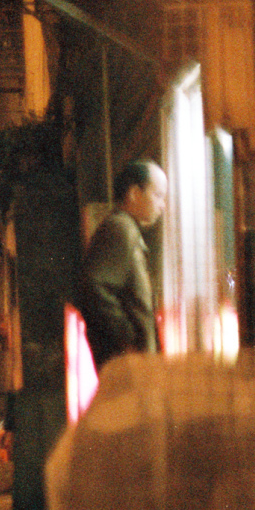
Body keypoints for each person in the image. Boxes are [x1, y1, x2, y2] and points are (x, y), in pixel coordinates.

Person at [75, 158, 168, 371]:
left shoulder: (124, 228)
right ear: (134, 193)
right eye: (158, 195)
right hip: (128, 366)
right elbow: (93, 286)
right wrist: (128, 341)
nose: (162, 205)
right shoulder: (120, 228)